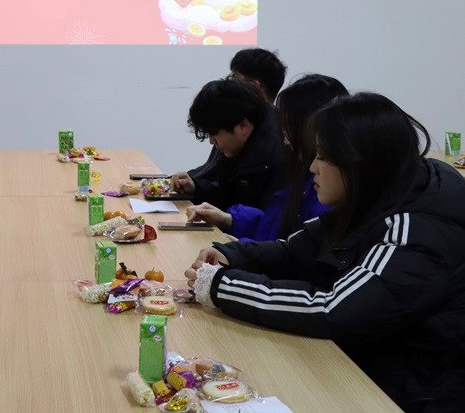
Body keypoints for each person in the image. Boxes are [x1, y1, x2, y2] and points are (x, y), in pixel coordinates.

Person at [185, 93, 465, 411]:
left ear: (359, 162)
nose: (313, 167)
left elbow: (333, 309)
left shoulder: (417, 229)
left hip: (411, 393)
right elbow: (295, 250)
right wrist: (233, 255)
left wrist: (222, 286)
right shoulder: (377, 195)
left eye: (322, 156)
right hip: (369, 366)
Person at [186, 74, 346, 241]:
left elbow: (292, 249)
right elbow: (275, 225)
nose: (285, 140)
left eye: (289, 131)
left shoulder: (280, 163)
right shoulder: (303, 171)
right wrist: (229, 219)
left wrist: (241, 248)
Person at [170, 78, 285, 210]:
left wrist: (227, 219)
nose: (211, 141)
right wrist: (195, 188)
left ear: (243, 126)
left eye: (214, 133)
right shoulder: (238, 141)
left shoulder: (273, 159)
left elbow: (262, 218)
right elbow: (226, 194)